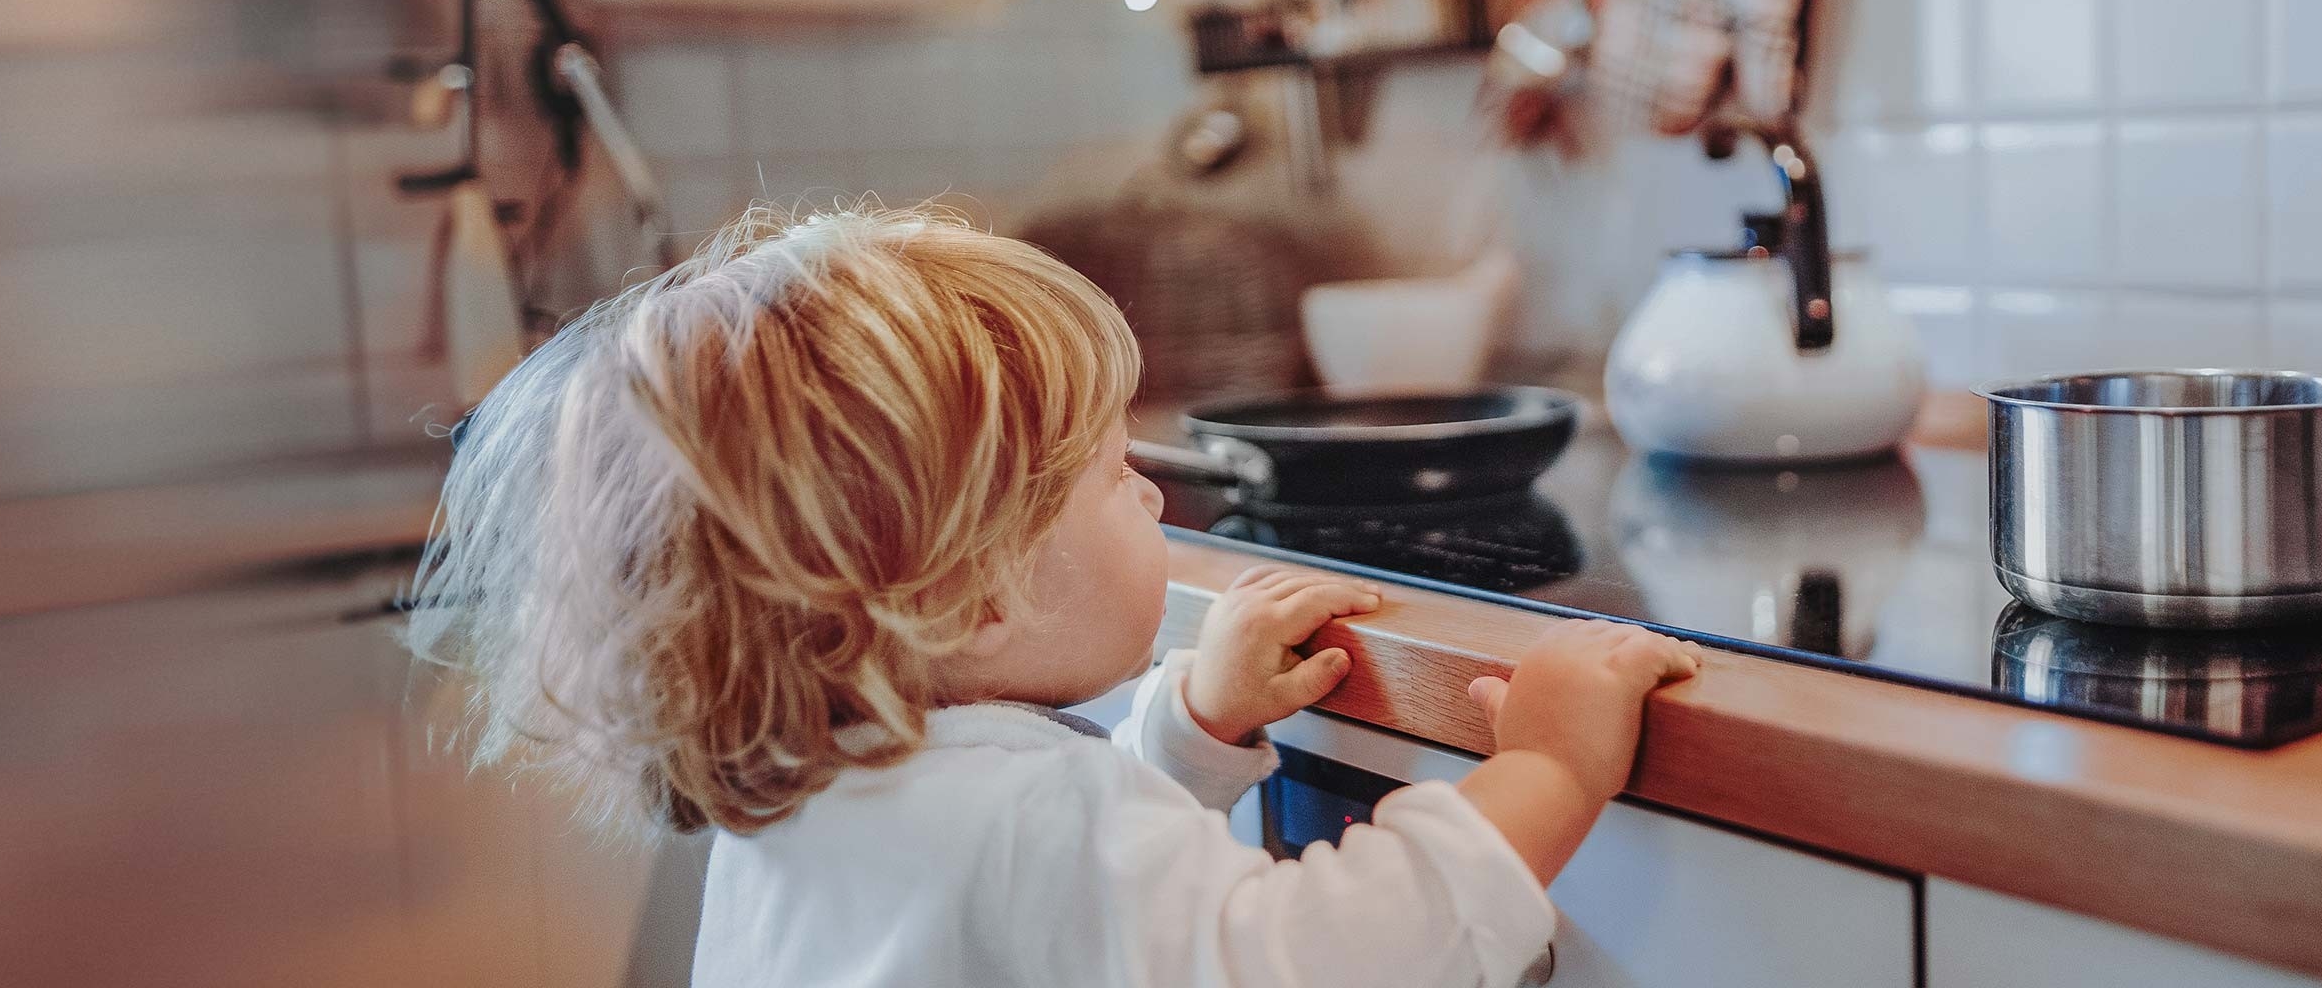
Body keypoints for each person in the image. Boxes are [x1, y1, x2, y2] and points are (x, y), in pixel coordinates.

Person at [402, 203, 1700, 987]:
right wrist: (1548, 770)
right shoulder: (1035, 819)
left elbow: (1056, 927)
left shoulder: (812, 793)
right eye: (1107, 473)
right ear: (965, 601)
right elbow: (1318, 961)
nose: (1150, 496)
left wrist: (1189, 733)